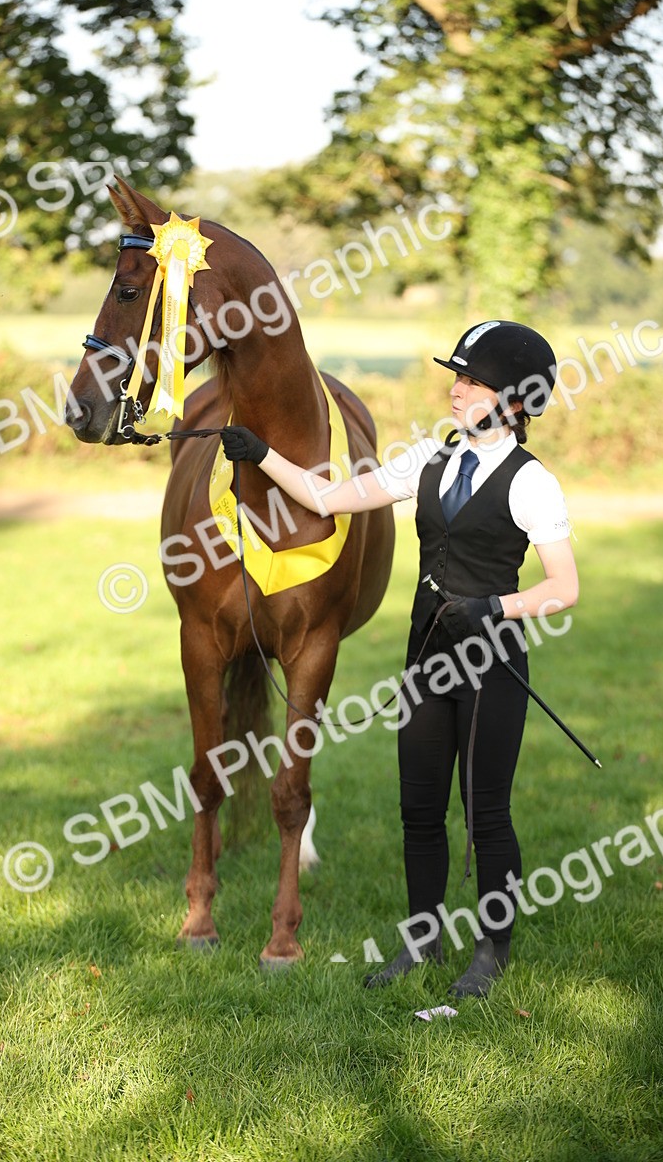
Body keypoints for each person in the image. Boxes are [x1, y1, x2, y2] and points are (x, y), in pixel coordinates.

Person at [220, 320, 578, 998]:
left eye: (472, 381)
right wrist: (262, 453)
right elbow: (331, 497)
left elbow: (565, 588)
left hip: (491, 666)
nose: (455, 389)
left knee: (486, 814)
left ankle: (490, 954)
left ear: (514, 400)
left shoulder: (534, 485)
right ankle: (421, 941)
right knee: (418, 810)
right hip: (425, 661)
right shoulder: (428, 459)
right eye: (457, 376)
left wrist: (498, 608)